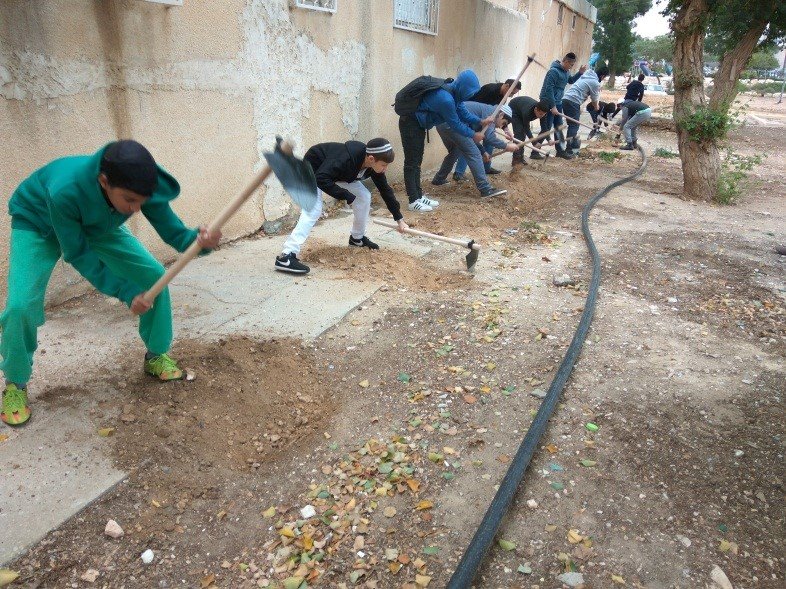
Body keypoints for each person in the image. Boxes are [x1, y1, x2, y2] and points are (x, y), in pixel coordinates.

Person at [1, 140, 221, 427]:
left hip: (96, 223)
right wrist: (126, 291)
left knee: (153, 276)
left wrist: (200, 242)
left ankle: (155, 355)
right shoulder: (65, 189)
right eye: (130, 201)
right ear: (104, 181)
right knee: (20, 306)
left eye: (141, 201)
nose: (137, 209)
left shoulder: (139, 184)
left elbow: (173, 232)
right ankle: (15, 383)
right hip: (38, 222)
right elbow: (78, 253)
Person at [275, 139, 408, 275]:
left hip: (337, 174)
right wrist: (346, 196)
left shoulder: (373, 166)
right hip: (314, 170)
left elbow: (385, 190)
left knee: (364, 196)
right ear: (371, 158)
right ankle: (286, 255)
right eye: (384, 165)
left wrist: (399, 219)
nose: (385, 169)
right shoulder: (344, 159)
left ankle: (357, 238)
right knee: (313, 210)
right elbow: (321, 178)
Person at [397, 70, 493, 212]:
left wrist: (480, 120)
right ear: (463, 87)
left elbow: (464, 113)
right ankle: (413, 200)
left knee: (417, 161)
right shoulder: (445, 99)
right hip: (410, 123)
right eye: (469, 91)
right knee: (412, 162)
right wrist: (473, 134)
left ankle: (418, 196)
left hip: (418, 124)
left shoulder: (455, 93)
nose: (470, 95)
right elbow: (455, 124)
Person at [431, 103, 517, 198]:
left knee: (455, 151)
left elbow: (470, 137)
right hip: (452, 124)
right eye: (503, 123)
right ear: (501, 115)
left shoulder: (487, 110)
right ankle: (485, 189)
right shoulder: (491, 115)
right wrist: (506, 146)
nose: (500, 127)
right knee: (474, 154)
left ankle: (439, 179)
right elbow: (489, 137)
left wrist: (483, 152)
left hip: (441, 124)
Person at [453, 78, 522, 178]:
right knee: (469, 145)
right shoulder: (489, 90)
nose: (511, 96)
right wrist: (506, 146)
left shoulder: (504, 98)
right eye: (511, 92)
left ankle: (486, 167)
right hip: (471, 118)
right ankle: (459, 173)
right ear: (506, 85)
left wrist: (506, 130)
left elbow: (501, 116)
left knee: (488, 141)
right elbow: (480, 107)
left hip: (486, 120)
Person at [536, 52, 586, 160]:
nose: (571, 67)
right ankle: (534, 151)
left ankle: (560, 150)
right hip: (547, 102)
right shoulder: (553, 72)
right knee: (547, 127)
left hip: (558, 102)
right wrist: (552, 106)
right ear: (566, 61)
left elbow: (571, 80)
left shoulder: (566, 72)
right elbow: (549, 89)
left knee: (558, 127)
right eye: (571, 65)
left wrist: (580, 73)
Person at [562, 66, 609, 153]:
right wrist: (596, 107)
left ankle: (571, 145)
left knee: (572, 125)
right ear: (602, 76)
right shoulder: (594, 82)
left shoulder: (587, 76)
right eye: (604, 78)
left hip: (566, 99)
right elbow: (594, 99)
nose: (603, 79)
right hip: (573, 101)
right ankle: (569, 149)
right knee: (574, 125)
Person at [507, 97, 549, 166]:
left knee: (523, 135)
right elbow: (527, 128)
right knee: (519, 135)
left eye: (544, 114)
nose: (542, 116)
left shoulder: (543, 112)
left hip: (521, 107)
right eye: (540, 114)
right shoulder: (527, 112)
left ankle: (520, 157)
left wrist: (549, 140)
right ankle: (516, 159)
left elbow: (544, 127)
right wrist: (534, 143)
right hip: (515, 109)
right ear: (536, 109)